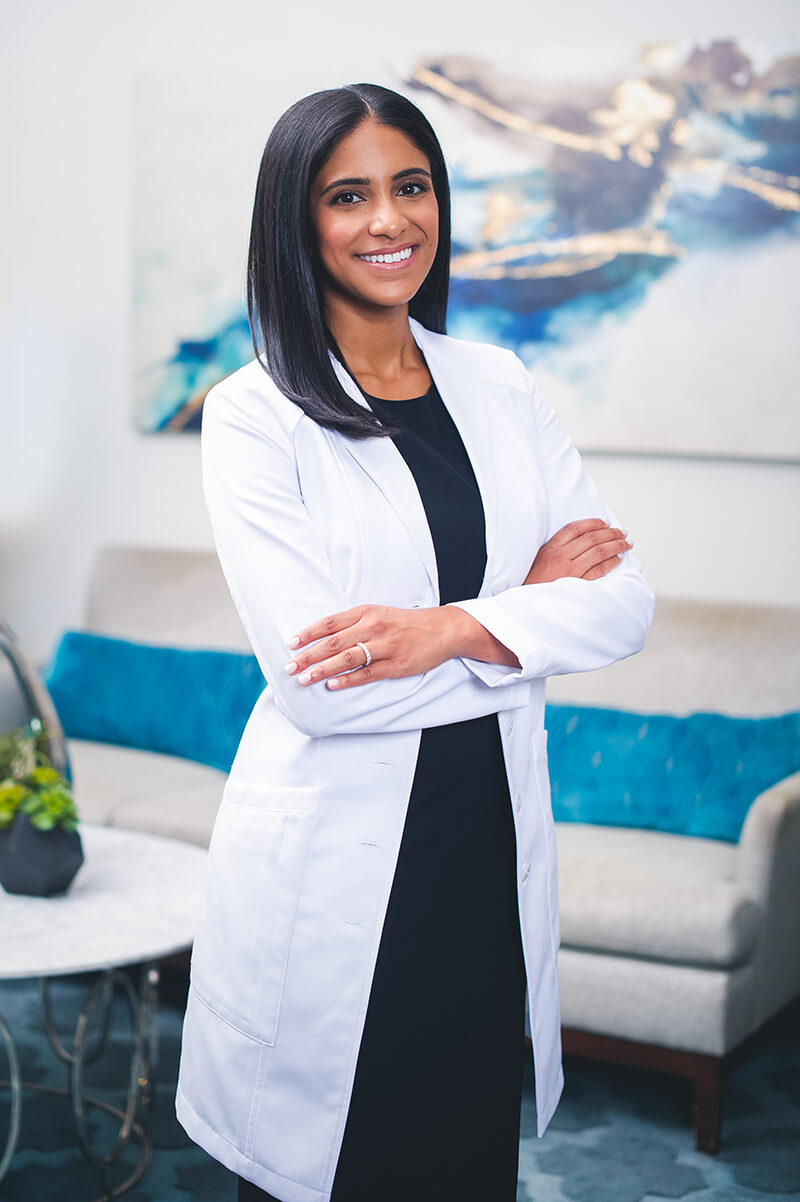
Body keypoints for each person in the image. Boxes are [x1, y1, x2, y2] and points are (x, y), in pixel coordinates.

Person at [176, 83, 654, 1202]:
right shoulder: (256, 413)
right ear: (297, 222)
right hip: (337, 869)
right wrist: (527, 618)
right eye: (348, 195)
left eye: (411, 185)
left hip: (480, 852)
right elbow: (325, 693)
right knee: (328, 1165)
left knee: (460, 1154)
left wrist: (442, 628)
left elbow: (624, 602)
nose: (389, 219)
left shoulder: (499, 383)